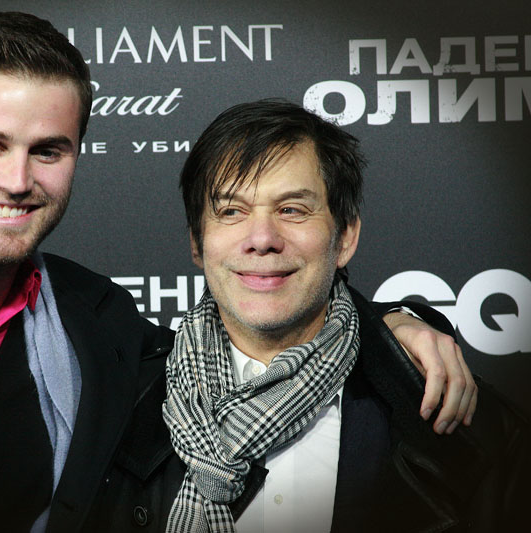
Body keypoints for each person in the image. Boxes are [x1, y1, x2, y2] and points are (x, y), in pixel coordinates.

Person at [0, 13, 478, 533]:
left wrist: (394, 330)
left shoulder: (106, 330)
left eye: (48, 150)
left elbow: (272, 328)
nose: (16, 180)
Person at [85, 99, 529, 532]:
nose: (262, 238)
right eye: (232, 211)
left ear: (345, 237)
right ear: (197, 244)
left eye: (292, 210)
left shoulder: (471, 429)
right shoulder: (115, 413)